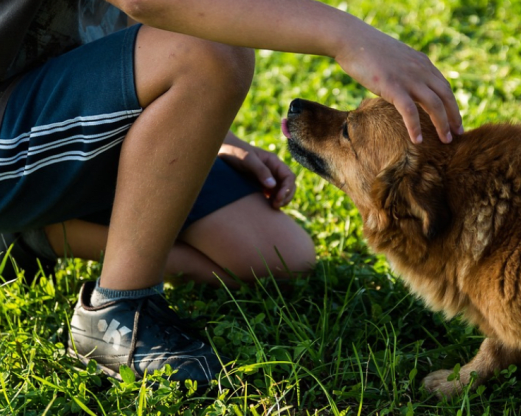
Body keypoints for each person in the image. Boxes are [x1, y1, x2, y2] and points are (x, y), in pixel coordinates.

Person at [0, 0, 462, 384]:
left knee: (276, 256)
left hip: (58, 106)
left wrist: (203, 128)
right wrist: (346, 36)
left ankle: (32, 231)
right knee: (212, 52)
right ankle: (117, 311)